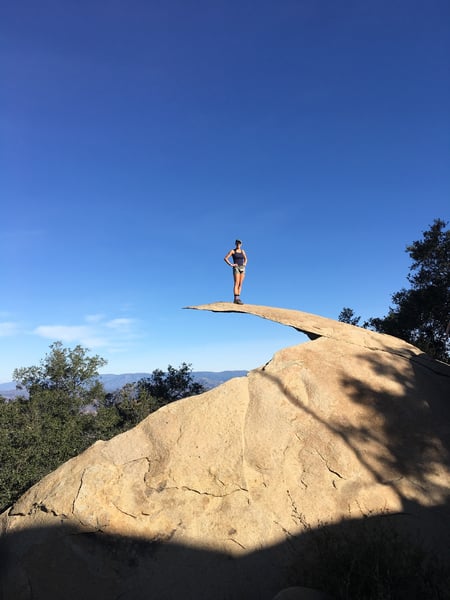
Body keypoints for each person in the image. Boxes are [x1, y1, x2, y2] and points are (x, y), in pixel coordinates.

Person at [224, 239, 247, 304]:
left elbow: (246, 258)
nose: (238, 244)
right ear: (235, 244)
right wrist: (231, 264)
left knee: (240, 283)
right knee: (236, 282)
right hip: (236, 267)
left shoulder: (242, 251)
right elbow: (225, 258)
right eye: (237, 243)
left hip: (242, 267)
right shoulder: (233, 251)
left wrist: (245, 263)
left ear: (241, 244)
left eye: (239, 243)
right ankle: (236, 298)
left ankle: (238, 298)